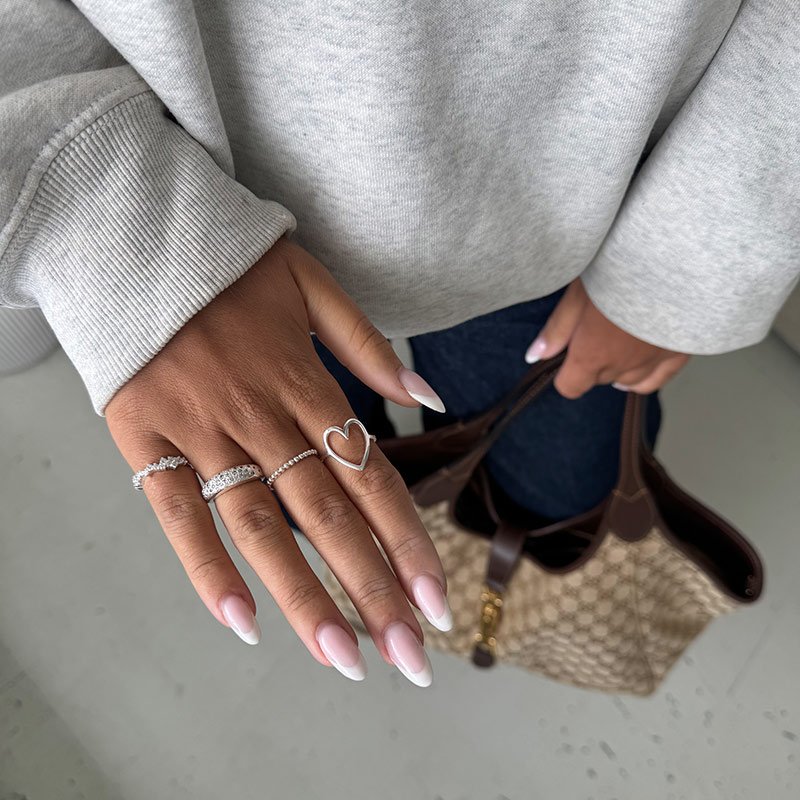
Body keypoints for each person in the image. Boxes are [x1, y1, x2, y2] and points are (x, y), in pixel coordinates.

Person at [1, 1, 797, 689]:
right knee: (325, 497)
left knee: (558, 499)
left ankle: (479, 584)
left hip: (558, 226)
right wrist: (95, 200)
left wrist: (681, 268)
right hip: (216, 231)